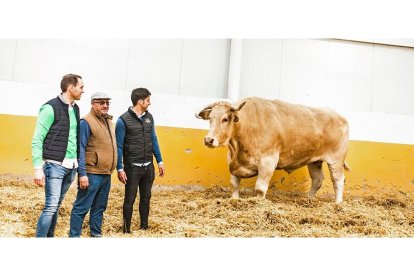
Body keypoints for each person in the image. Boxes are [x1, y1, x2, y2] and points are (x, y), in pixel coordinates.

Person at [32, 74, 84, 237]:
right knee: (51, 206)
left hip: (71, 166)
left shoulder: (75, 108)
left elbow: (74, 138)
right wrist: (37, 168)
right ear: (71, 88)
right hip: (54, 165)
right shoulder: (49, 108)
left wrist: (77, 164)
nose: (83, 90)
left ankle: (50, 237)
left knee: (56, 205)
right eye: (81, 87)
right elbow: (37, 138)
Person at [116, 87, 165, 233]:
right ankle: (126, 230)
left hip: (148, 166)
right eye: (148, 100)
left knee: (146, 198)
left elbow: (154, 140)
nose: (150, 103)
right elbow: (118, 146)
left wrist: (160, 161)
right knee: (129, 199)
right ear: (140, 101)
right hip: (132, 168)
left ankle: (144, 226)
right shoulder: (122, 120)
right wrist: (120, 168)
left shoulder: (149, 117)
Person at [69, 92, 117, 237]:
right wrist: (82, 174)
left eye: (107, 103)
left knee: (99, 208)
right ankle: (74, 237)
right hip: (91, 174)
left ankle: (96, 236)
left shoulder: (109, 121)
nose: (105, 106)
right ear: (93, 104)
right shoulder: (86, 121)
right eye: (101, 103)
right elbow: (80, 148)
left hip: (106, 174)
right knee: (81, 208)